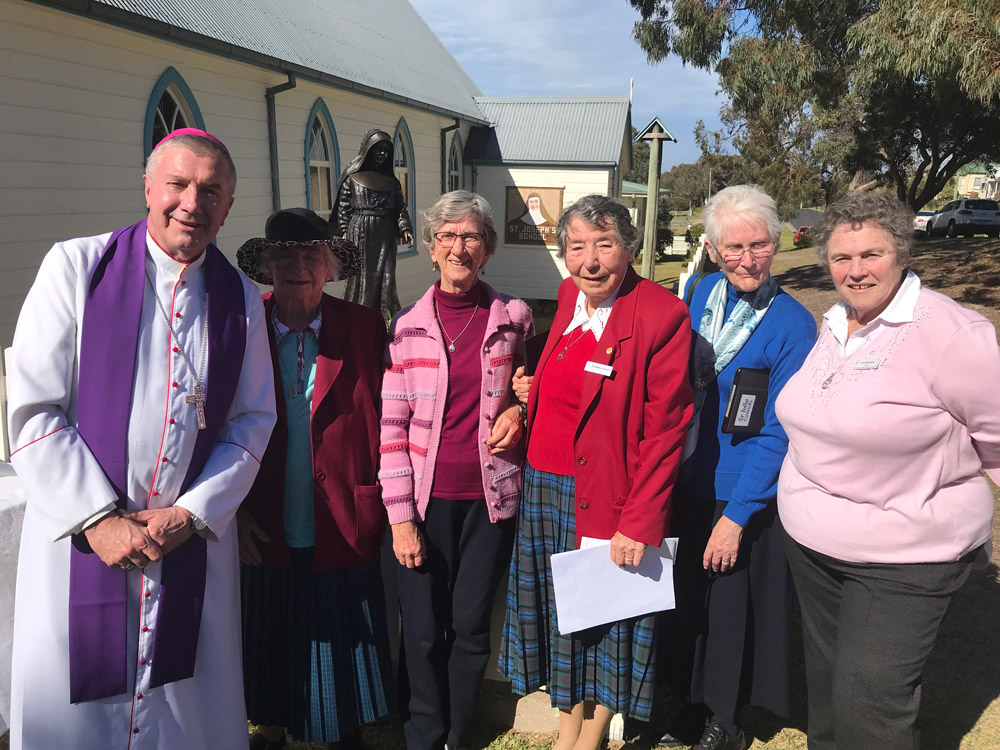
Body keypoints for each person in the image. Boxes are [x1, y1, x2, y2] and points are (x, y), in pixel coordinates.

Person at [6, 128, 277, 749]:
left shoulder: (238, 298)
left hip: (187, 544)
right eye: (178, 184)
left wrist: (191, 513)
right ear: (148, 187)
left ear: (229, 207)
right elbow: (33, 408)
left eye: (211, 191)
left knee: (184, 715)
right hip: (82, 545)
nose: (192, 202)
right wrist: (99, 520)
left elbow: (252, 420)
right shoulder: (76, 267)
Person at [776, 192, 1000, 750]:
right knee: (827, 695)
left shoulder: (952, 334)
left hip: (905, 551)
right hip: (813, 543)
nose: (855, 272)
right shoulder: (833, 323)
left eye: (871, 255)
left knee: (869, 705)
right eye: (840, 258)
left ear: (901, 252)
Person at [501, 194, 693, 750]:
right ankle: (567, 732)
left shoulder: (661, 315)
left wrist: (640, 521)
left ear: (629, 249)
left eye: (604, 245)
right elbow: (571, 386)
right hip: (544, 487)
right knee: (565, 619)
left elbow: (665, 432)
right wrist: (527, 398)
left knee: (609, 620)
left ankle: (594, 736)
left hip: (610, 494)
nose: (590, 261)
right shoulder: (566, 297)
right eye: (577, 246)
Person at [657, 185, 816, 750]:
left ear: (777, 244)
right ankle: (685, 701)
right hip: (687, 478)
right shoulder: (699, 293)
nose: (747, 259)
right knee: (686, 600)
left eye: (760, 245)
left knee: (728, 609)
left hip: (740, 490)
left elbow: (780, 428)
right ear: (711, 248)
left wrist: (739, 515)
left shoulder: (793, 326)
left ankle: (726, 720)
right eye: (734, 247)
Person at [379, 190, 533, 750]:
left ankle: (457, 735)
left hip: (491, 501)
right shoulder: (406, 328)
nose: (458, 247)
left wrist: (520, 407)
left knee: (469, 628)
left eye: (471, 236)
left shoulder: (514, 317)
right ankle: (423, 733)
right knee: (420, 632)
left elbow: (528, 389)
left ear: (488, 248)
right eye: (447, 236)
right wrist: (399, 519)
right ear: (431, 247)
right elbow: (391, 430)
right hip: (424, 503)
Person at [235, 208, 391, 750]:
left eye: (310, 257)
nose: (297, 268)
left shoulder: (365, 327)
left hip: (344, 512)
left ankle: (335, 729)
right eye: (285, 257)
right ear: (268, 267)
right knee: (269, 629)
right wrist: (232, 512)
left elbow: (393, 414)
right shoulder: (242, 324)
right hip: (264, 516)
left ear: (328, 266)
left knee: (339, 633)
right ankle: (271, 725)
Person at [335, 129, 414, 318]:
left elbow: (400, 207)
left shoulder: (392, 182)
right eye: (378, 149)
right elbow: (343, 207)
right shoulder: (352, 177)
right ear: (368, 150)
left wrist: (405, 227)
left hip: (384, 232)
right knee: (361, 276)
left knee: (386, 275)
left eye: (387, 150)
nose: (383, 154)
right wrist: (345, 230)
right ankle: (359, 313)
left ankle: (385, 314)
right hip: (360, 231)